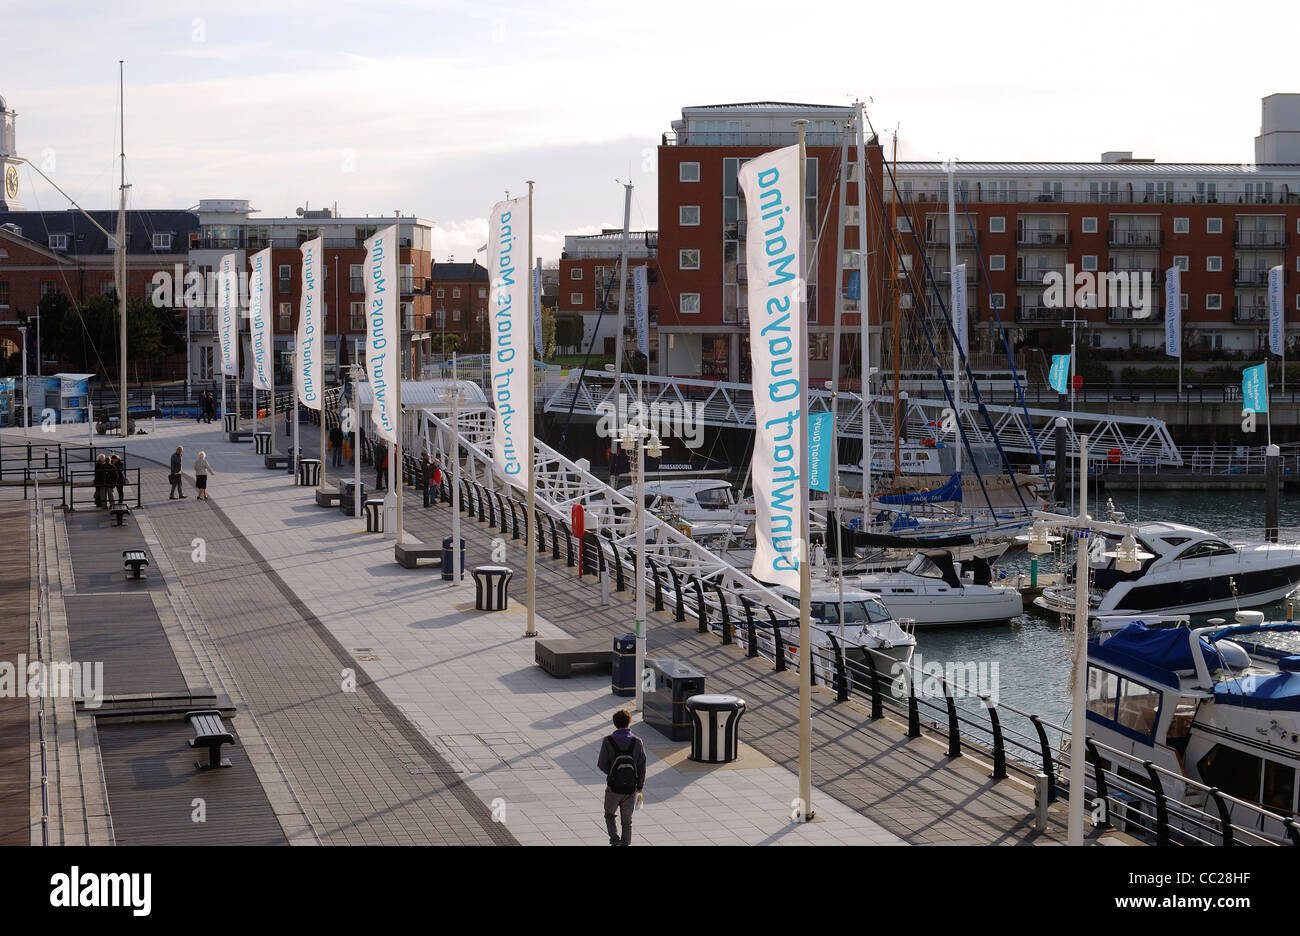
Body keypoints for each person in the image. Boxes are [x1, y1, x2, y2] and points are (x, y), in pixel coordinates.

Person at [596, 709, 645, 847]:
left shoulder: (608, 741)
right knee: (627, 821)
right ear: (629, 722)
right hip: (630, 789)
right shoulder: (637, 742)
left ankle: (614, 839)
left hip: (613, 788)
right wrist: (639, 786)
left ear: (615, 724)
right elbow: (642, 766)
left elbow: (601, 764)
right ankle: (625, 843)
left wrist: (612, 774)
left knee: (609, 815)